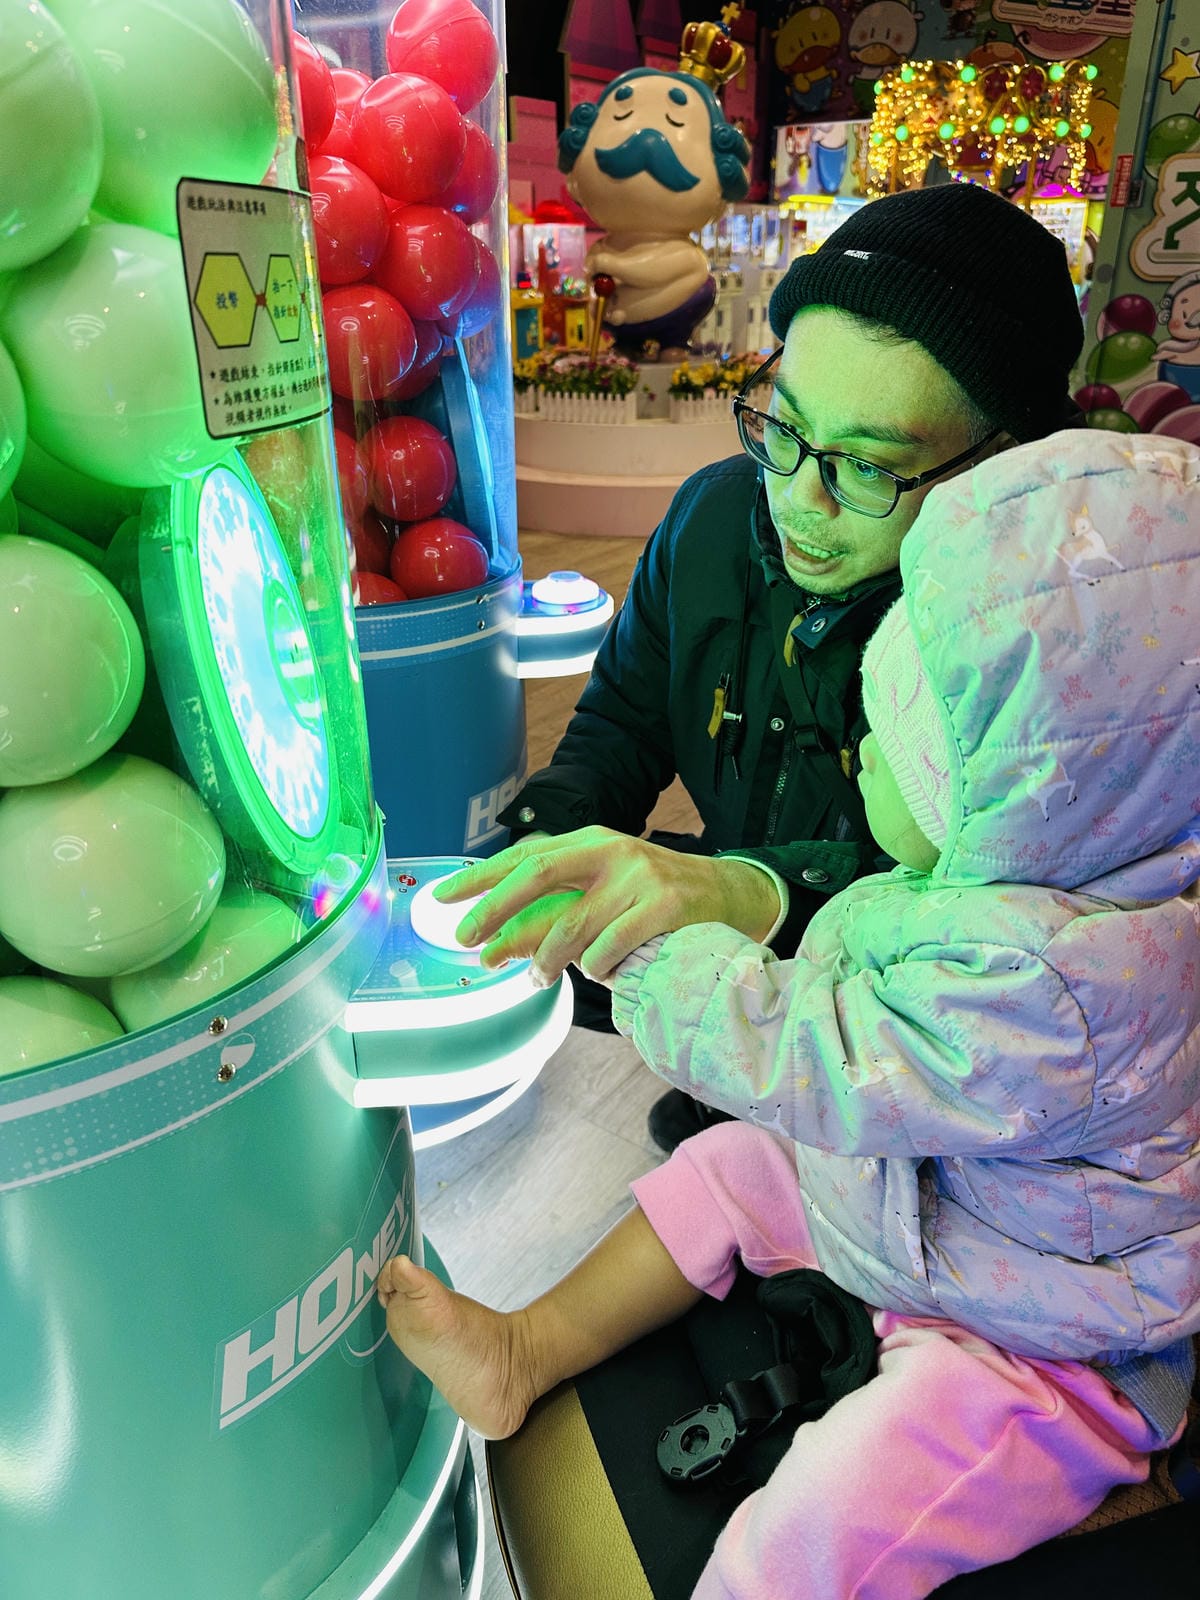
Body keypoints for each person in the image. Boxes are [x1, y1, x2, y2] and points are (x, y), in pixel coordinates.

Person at [379, 428, 1200, 1598]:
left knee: (829, 1518)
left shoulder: (1065, 987)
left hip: (1045, 1331)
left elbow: (831, 1053)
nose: (863, 749)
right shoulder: (1018, 884)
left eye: (912, 747)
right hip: (949, 1207)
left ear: (1039, 798)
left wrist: (647, 953)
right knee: (738, 1163)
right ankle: (523, 1349)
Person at [434, 181, 1087, 1151]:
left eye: (866, 465)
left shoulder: (1041, 638)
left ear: (1005, 464)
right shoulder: (709, 520)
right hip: (760, 977)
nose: (798, 498)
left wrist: (743, 891)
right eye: (784, 427)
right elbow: (621, 726)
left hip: (915, 1059)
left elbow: (985, 928)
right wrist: (531, 852)